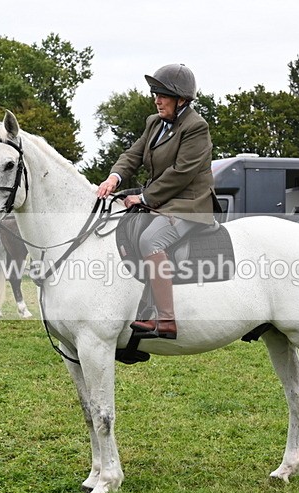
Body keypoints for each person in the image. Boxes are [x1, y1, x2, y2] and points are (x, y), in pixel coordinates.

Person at [96, 63, 217, 339]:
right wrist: (114, 178)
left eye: (162, 94)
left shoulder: (196, 126)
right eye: (155, 93)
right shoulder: (154, 122)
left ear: (182, 99)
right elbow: (133, 154)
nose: (156, 99)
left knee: (151, 240)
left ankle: (165, 320)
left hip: (190, 204)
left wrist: (143, 197)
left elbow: (181, 174)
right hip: (162, 202)